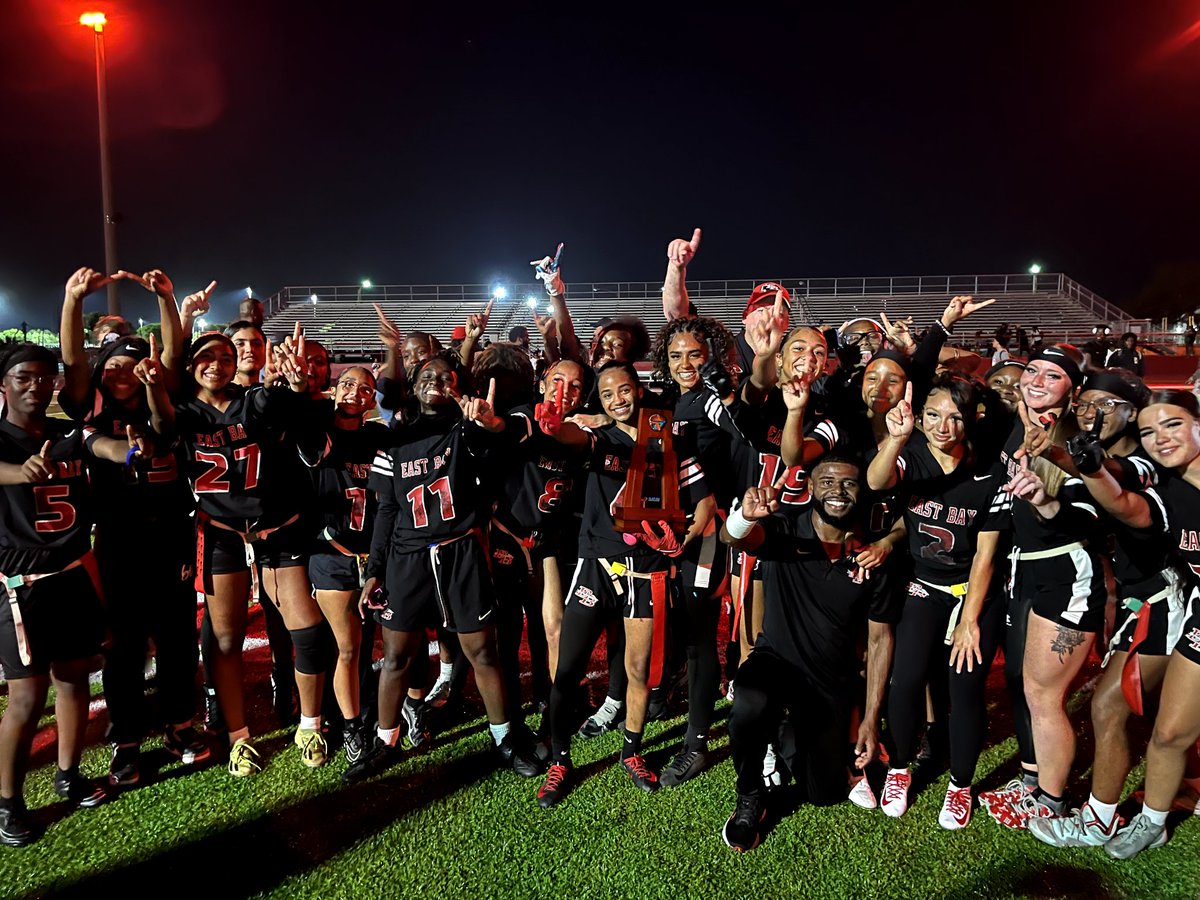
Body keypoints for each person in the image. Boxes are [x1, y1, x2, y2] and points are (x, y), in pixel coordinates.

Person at [350, 354, 542, 782]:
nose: (435, 382)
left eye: (446, 377)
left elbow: (511, 441)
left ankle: (504, 737)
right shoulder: (394, 440)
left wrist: (490, 426)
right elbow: (386, 512)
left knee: (482, 651)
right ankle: (386, 740)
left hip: (462, 553)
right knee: (398, 654)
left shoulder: (468, 428)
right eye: (427, 376)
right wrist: (374, 571)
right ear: (414, 385)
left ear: (460, 385)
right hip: (407, 558)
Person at [536, 361, 715, 807]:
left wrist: (682, 541)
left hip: (647, 570)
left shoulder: (668, 439)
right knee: (569, 669)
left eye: (625, 389)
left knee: (639, 671)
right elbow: (576, 439)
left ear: (639, 389)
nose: (618, 398)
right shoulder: (604, 439)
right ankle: (561, 760)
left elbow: (706, 502)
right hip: (598, 566)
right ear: (601, 400)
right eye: (609, 393)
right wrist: (557, 429)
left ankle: (631, 751)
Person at [137, 328, 313, 776]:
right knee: (226, 639)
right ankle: (238, 735)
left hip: (272, 530)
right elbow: (161, 426)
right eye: (206, 356)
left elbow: (273, 407)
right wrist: (156, 385)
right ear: (191, 364)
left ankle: (310, 720)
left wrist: (288, 383)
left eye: (226, 355)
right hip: (219, 533)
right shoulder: (184, 410)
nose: (217, 363)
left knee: (304, 628)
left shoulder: (250, 399)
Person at [1027, 371, 1191, 849]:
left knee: (1111, 705)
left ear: (1130, 412)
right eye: (1085, 403)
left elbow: (1121, 484)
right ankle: (1181, 786)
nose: (1090, 412)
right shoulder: (1098, 456)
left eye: (1107, 403)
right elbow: (1084, 514)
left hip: (1166, 600)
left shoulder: (1145, 459)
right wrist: (1047, 494)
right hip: (1140, 600)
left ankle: (1100, 820)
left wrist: (1074, 460)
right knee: (1151, 709)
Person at [59, 268, 207, 787]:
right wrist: (73, 301)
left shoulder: (159, 395)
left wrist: (168, 302)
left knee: (176, 641)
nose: (123, 373)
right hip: (119, 539)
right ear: (103, 371)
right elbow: (75, 361)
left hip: (170, 534)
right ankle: (126, 740)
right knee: (123, 649)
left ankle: (180, 725)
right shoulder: (92, 406)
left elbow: (170, 356)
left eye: (131, 364)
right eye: (114, 366)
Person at [0, 342, 154, 844]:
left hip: (71, 574)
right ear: (4, 384)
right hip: (20, 586)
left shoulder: (67, 433)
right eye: (24, 376)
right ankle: (8, 802)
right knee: (26, 696)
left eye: (45, 377)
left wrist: (129, 449)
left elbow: (100, 446)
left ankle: (68, 773)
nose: (36, 385)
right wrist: (17, 473)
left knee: (73, 680)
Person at [718, 452, 897, 852]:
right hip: (776, 662)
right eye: (828, 481)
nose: (838, 491)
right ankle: (749, 797)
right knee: (750, 702)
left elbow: (880, 641)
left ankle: (785, 734)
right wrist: (744, 516)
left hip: (829, 681)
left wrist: (869, 721)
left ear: (861, 491)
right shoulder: (785, 528)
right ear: (812, 487)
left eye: (849, 483)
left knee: (824, 793)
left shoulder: (873, 557)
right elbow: (735, 537)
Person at [866, 375, 1011, 828]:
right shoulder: (911, 456)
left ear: (971, 420)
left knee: (965, 689)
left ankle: (960, 785)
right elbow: (875, 480)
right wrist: (894, 439)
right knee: (905, 679)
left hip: (973, 591)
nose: (942, 426)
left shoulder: (989, 470)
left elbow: (986, 555)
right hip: (924, 585)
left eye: (954, 416)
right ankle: (900, 768)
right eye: (933, 415)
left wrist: (969, 621)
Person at [981, 345, 1108, 828]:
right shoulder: (1018, 420)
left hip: (1066, 569)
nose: (1035, 380)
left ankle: (1052, 801)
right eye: (1032, 369)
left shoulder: (1076, 440)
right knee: (1027, 685)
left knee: (1043, 694)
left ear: (1072, 390)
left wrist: (1046, 501)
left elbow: (1094, 518)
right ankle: (1035, 779)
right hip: (1028, 566)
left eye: (1052, 376)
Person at [298, 366, 390, 773]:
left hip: (374, 557)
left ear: (372, 399)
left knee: (372, 642)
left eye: (365, 388)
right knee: (348, 647)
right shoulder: (318, 432)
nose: (356, 392)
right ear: (336, 390)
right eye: (349, 384)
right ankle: (352, 727)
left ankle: (370, 712)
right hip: (332, 553)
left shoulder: (377, 436)